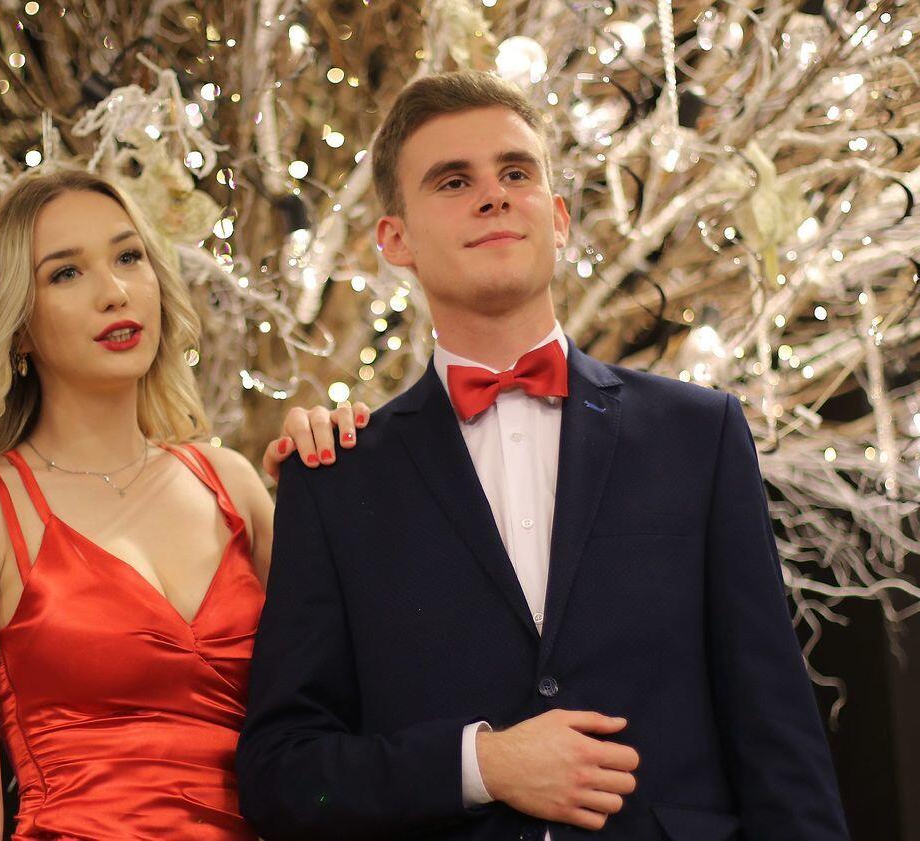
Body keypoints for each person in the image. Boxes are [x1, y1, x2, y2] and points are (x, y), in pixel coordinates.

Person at [236, 70, 850, 840]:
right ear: (394, 240)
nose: (493, 196)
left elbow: (779, 739)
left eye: (516, 173)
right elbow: (283, 775)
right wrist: (478, 765)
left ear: (558, 219)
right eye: (453, 181)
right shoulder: (337, 477)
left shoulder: (701, 434)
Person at [0, 167, 366, 840]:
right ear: (17, 327)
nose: (115, 292)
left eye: (129, 257)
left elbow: (350, 703)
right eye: (66, 273)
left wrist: (345, 479)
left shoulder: (231, 483)